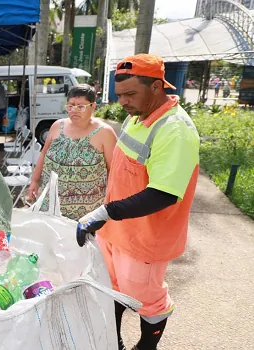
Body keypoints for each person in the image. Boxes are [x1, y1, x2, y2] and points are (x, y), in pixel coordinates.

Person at [76, 54, 200, 350]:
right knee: (113, 289)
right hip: (118, 231)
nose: (123, 102)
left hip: (146, 239)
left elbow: (164, 193)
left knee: (148, 300)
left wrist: (106, 211)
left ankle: (146, 346)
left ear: (157, 87)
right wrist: (104, 217)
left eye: (131, 94)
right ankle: (113, 341)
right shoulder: (137, 116)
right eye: (120, 95)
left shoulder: (174, 130)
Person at [28, 84, 117, 220]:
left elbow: (114, 172)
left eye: (80, 106)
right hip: (51, 205)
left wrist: (110, 203)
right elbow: (44, 154)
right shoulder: (57, 126)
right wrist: (34, 180)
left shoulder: (105, 133)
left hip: (87, 212)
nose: (74, 110)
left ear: (93, 106)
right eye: (70, 106)